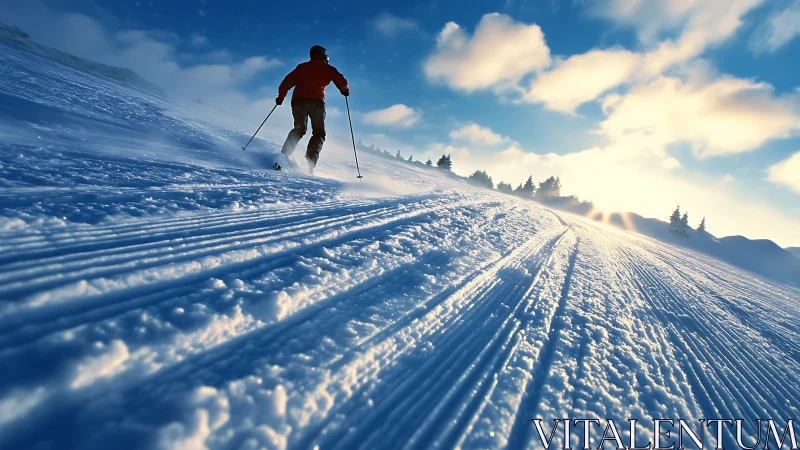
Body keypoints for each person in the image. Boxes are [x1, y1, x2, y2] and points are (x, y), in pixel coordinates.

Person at [275, 45, 349, 171]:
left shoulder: (302, 67)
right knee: (319, 133)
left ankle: (282, 159)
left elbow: (286, 82)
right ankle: (309, 164)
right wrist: (344, 89)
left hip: (298, 101)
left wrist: (281, 96)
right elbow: (340, 79)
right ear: (322, 55)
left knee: (299, 129)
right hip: (316, 103)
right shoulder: (328, 68)